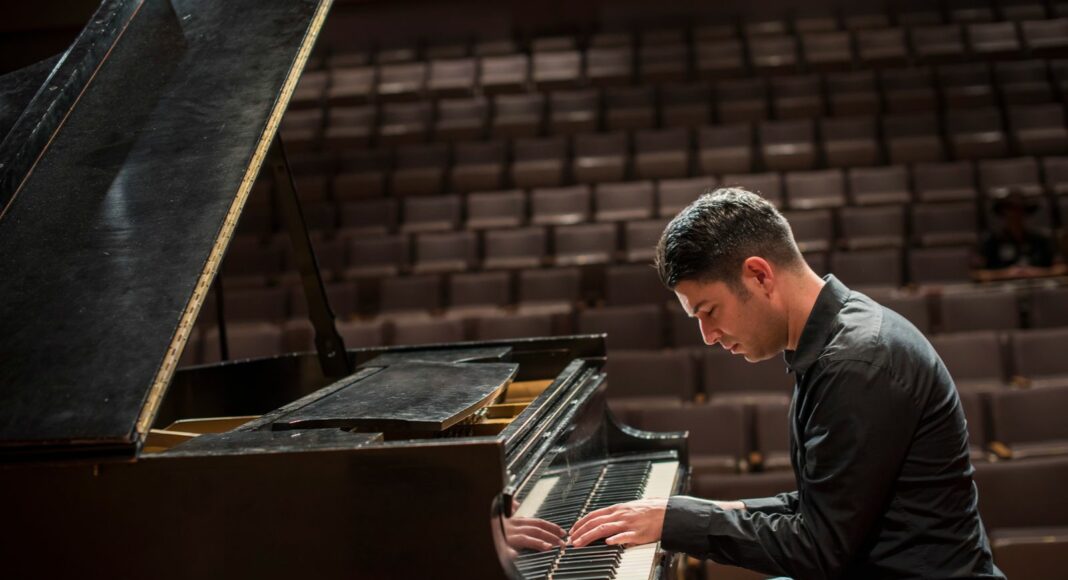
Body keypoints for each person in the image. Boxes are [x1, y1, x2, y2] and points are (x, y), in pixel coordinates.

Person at [567, 188, 1004, 579]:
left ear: (759, 275)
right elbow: (826, 505)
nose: (708, 336)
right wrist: (694, 511)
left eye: (709, 311)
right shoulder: (839, 340)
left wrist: (678, 523)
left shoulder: (856, 362)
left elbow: (819, 549)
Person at [980, 190, 1055, 271]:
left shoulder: (1040, 240)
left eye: (1019, 209)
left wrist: (1034, 271)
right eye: (1010, 209)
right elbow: (980, 273)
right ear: (1003, 212)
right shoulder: (992, 241)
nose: (1015, 214)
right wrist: (1007, 273)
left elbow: (1059, 268)